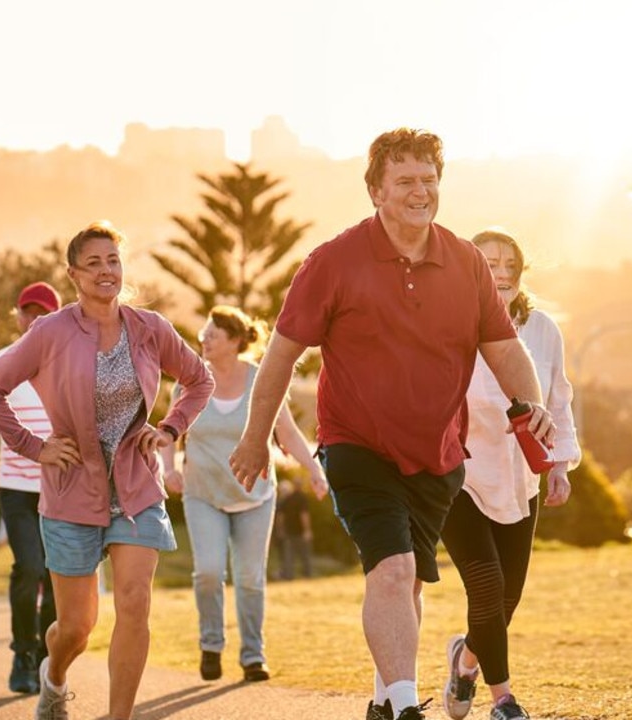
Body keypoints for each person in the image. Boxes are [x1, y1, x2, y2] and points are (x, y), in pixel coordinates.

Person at [229, 129, 554, 720]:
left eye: (429, 180)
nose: (419, 192)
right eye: (404, 181)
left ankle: (383, 699)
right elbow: (280, 355)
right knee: (394, 567)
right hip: (357, 445)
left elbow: (505, 349)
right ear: (376, 190)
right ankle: (406, 707)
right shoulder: (333, 262)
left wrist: (531, 403)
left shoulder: (464, 262)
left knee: (408, 582)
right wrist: (255, 439)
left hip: (437, 454)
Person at [0, 221, 214, 720]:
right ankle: (54, 676)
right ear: (74, 275)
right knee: (77, 627)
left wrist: (169, 429)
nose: (107, 271)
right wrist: (32, 447)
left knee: (134, 603)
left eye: (114, 261)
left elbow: (199, 378)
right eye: (94, 263)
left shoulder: (150, 328)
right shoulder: (50, 331)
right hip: (71, 491)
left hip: (136, 485)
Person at [438, 229, 579, 720]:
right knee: (485, 584)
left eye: (509, 266)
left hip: (522, 477)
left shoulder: (542, 328)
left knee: (507, 597)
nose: (500, 273)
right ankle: (505, 702)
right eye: (489, 263)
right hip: (461, 475)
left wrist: (559, 462)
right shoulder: (446, 324)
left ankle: (465, 661)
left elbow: (558, 399)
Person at [160, 305, 327, 683]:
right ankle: (211, 645)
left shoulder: (260, 380)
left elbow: (285, 431)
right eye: (203, 334)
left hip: (255, 497)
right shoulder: (189, 382)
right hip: (203, 494)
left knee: (251, 578)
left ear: (235, 341)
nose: (203, 340)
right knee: (208, 572)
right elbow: (171, 427)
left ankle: (253, 655)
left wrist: (314, 469)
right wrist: (168, 468)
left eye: (213, 335)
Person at [0, 280, 62, 694]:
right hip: (16, 489)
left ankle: (46, 656)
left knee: (58, 574)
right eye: (29, 311)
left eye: (44, 312)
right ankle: (23, 653)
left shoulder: (69, 359)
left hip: (63, 487)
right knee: (29, 568)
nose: (35, 319)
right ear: (19, 315)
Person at [276, 479, 315, 580]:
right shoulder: (302, 498)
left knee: (289, 556)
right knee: (305, 555)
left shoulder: (285, 500)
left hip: (289, 532)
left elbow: (280, 517)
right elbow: (304, 515)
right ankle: (307, 575)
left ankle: (289, 576)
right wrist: (307, 530)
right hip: (300, 532)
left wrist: (280, 530)